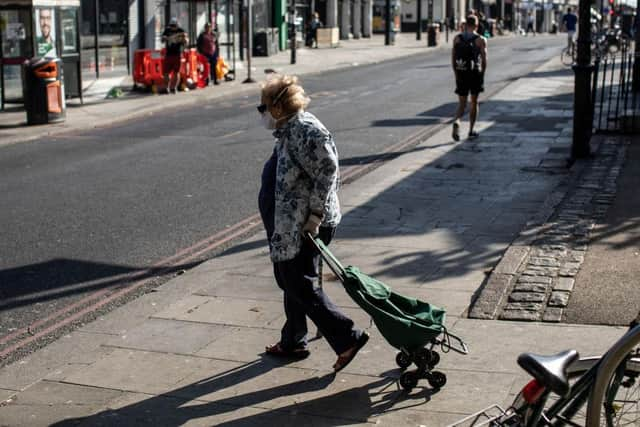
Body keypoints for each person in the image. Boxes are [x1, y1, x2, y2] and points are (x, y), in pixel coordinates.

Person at [257, 74, 369, 371]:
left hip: (304, 225)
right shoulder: (288, 129)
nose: (262, 113)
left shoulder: (305, 130)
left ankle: (347, 337)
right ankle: (294, 339)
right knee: (290, 280)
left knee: (298, 283)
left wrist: (315, 216)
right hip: (288, 225)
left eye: (263, 106)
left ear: (278, 107)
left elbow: (328, 170)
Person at [451, 14, 488, 141]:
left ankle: (457, 121)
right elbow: (484, 60)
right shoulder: (481, 39)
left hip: (461, 73)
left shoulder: (457, 39)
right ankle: (471, 131)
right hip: (474, 74)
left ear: (466, 24)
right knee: (474, 102)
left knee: (462, 103)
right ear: (477, 25)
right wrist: (482, 75)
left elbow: (453, 59)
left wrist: (456, 74)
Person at [162, 17, 188, 94]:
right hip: (169, 54)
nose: (173, 27)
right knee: (166, 72)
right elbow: (162, 39)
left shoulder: (181, 30)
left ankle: (174, 88)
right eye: (171, 25)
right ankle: (167, 87)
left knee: (176, 72)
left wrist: (184, 40)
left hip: (177, 54)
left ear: (177, 25)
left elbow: (186, 41)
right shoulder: (167, 30)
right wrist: (165, 38)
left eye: (174, 25)